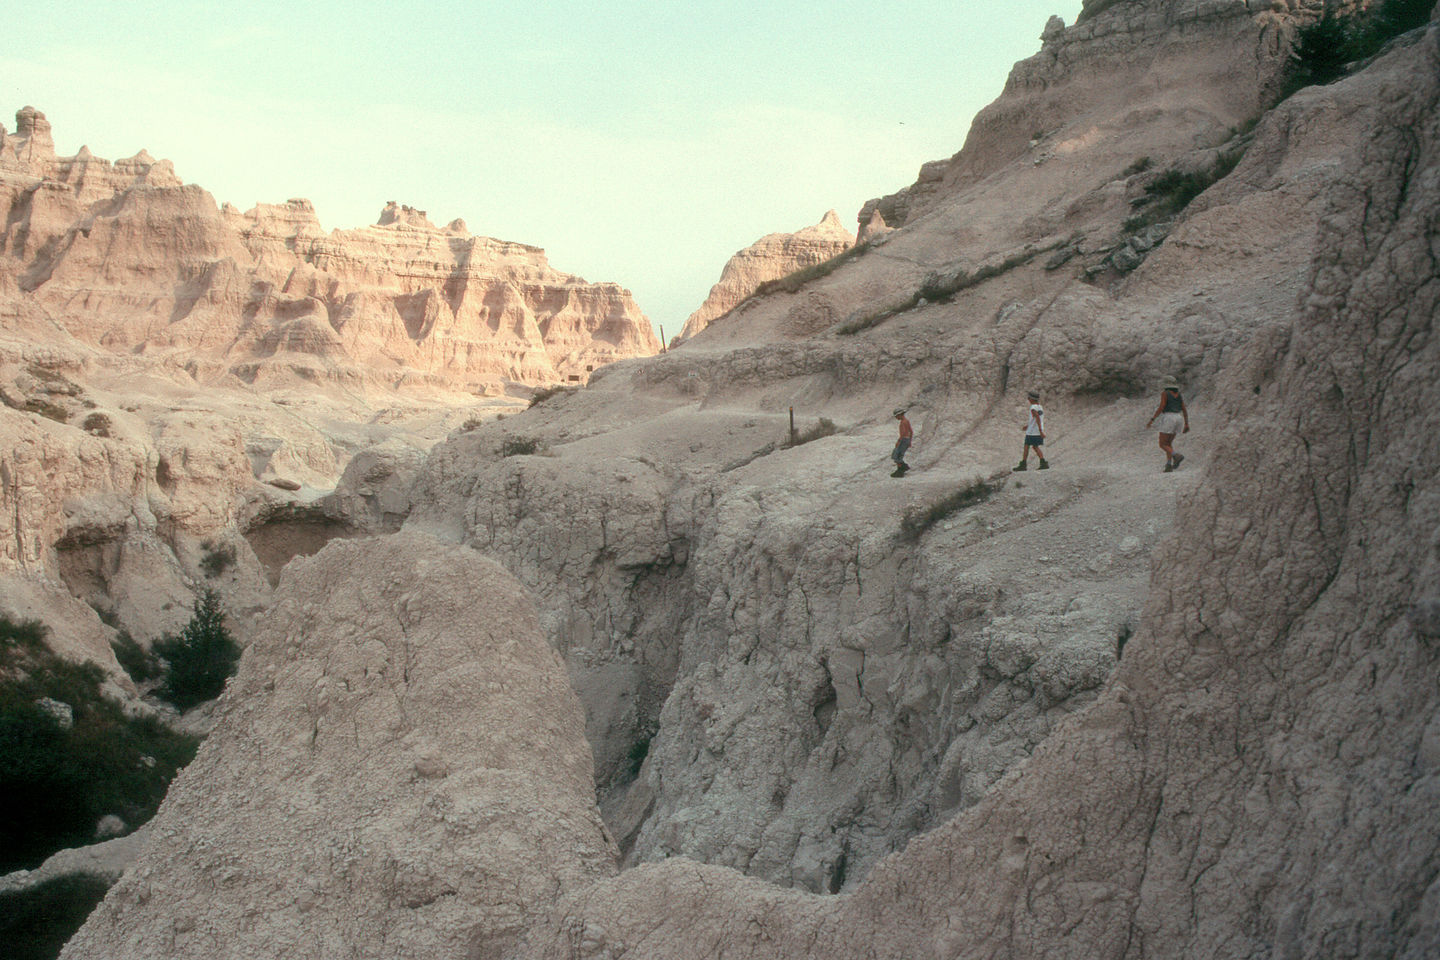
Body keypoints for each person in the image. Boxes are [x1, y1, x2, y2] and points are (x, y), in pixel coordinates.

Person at [1146, 375, 1190, 472]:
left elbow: (1161, 407)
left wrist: (1152, 419)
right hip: (1179, 418)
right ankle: (1169, 465)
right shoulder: (1179, 394)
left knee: (1162, 444)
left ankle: (1176, 455)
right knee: (1168, 443)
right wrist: (1186, 423)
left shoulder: (1165, 393)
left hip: (1169, 417)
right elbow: (1184, 409)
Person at [1015, 390, 1048, 470]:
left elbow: (1037, 418)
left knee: (1027, 446)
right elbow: (1036, 419)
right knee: (1034, 447)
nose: (1028, 399)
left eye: (1029, 398)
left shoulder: (1033, 407)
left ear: (1032, 399)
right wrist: (1028, 426)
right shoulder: (1040, 407)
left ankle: (1023, 465)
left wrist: (1040, 431)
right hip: (1035, 430)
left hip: (1032, 432)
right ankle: (1043, 462)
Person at [891, 408, 912, 476]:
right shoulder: (907, 421)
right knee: (899, 455)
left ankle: (901, 470)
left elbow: (902, 434)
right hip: (907, 439)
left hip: (903, 440)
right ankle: (903, 467)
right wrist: (910, 441)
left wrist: (898, 441)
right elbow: (911, 431)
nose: (896, 418)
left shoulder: (902, 423)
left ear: (900, 415)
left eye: (896, 416)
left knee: (896, 455)